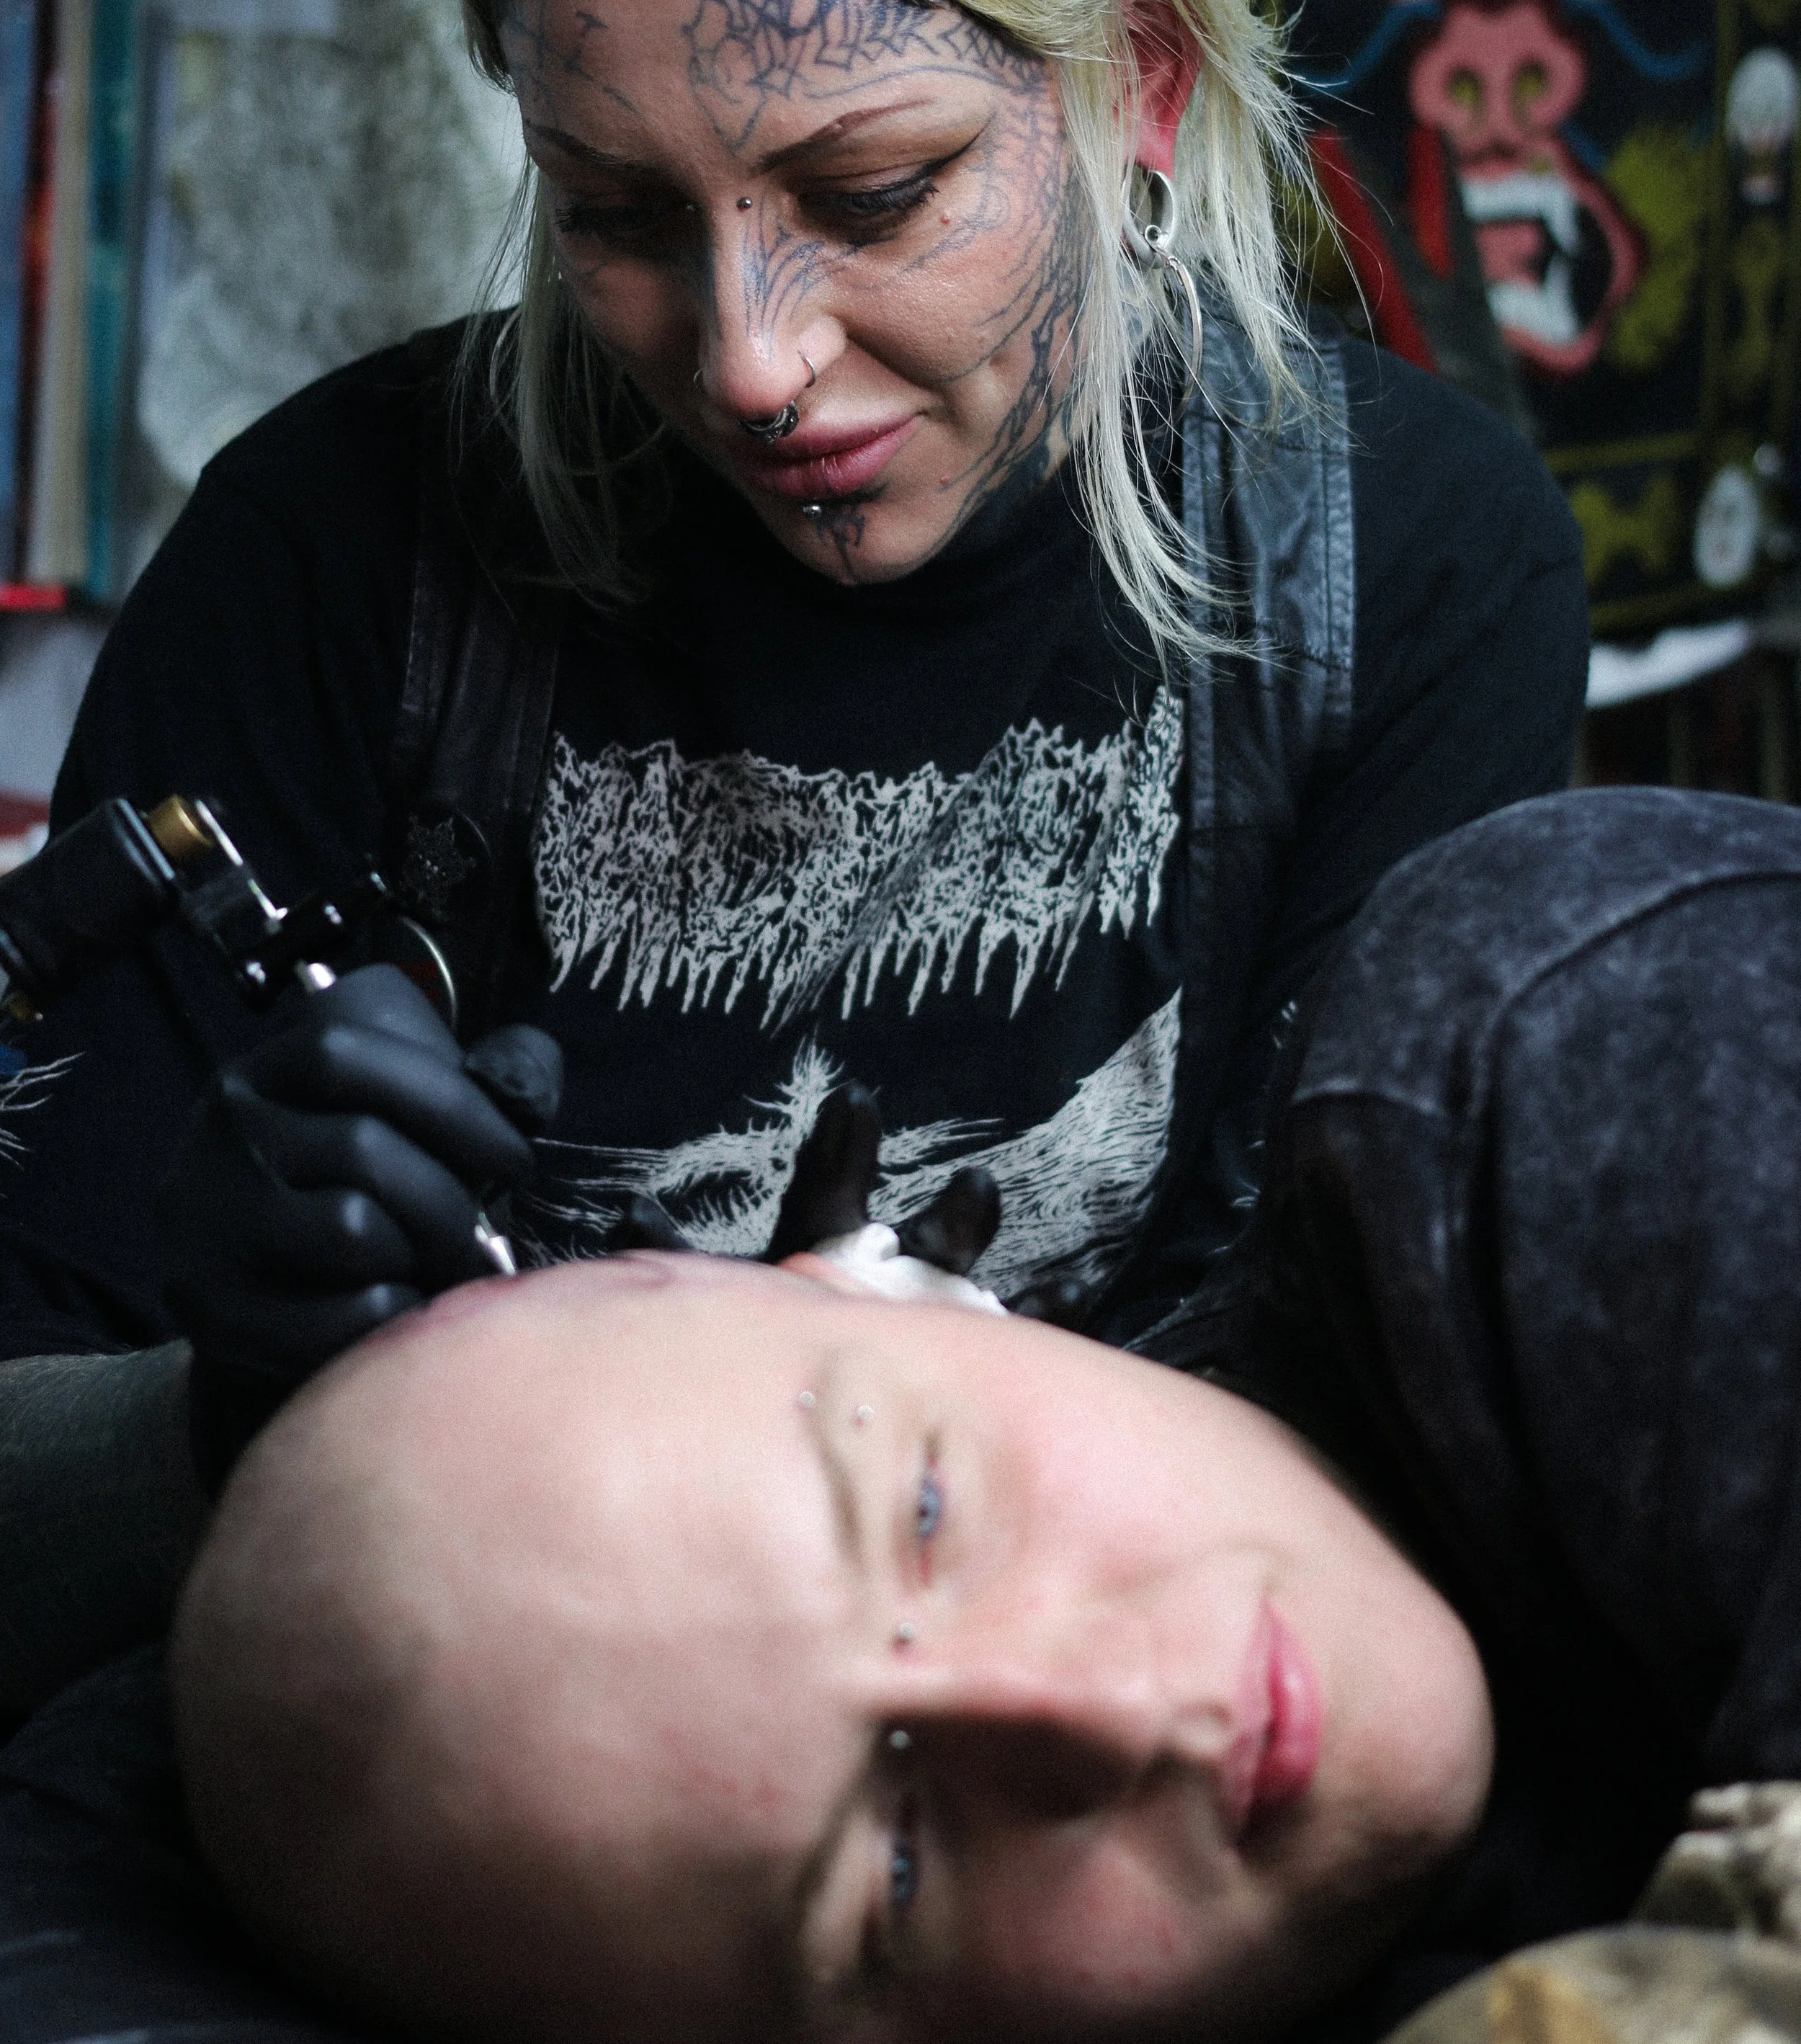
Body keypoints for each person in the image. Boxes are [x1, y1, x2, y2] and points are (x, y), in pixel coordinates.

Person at [0, 0, 1583, 1723]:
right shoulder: (335, 550)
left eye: (873, 190)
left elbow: (1376, 1472)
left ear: (1131, 77)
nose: (746, 356)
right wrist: (226, 1402)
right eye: (615, 211)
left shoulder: (1390, 565)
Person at [130, 780, 1801, 2044]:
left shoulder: (1529, 1051)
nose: (1125, 1710)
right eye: (898, 1875)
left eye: (925, 1509)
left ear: (887, 1275)